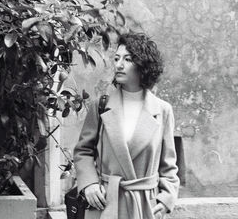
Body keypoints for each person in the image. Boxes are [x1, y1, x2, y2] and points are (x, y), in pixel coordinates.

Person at [73, 32, 180, 219]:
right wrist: (89, 184)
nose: (119, 65)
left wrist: (166, 200)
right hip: (106, 202)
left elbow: (169, 166)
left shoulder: (163, 110)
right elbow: (83, 151)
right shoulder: (101, 105)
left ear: (143, 65)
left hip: (145, 204)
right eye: (116, 58)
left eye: (127, 59)